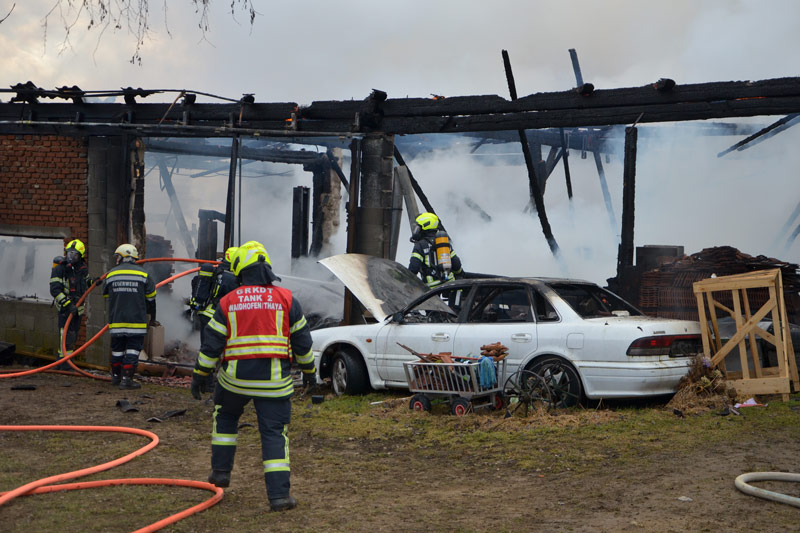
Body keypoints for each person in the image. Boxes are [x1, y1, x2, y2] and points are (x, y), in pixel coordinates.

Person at [191, 240, 315, 512]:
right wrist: (310, 373)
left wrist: (199, 374)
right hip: (274, 385)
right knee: (274, 434)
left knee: (224, 417)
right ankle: (279, 497)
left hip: (234, 381)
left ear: (241, 272)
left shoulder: (228, 301)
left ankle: (221, 473)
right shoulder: (287, 299)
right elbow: (303, 343)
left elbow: (211, 345)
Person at [103, 244, 157, 389]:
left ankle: (115, 378)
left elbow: (107, 295)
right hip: (136, 321)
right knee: (133, 349)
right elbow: (151, 298)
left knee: (117, 349)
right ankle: (126, 380)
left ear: (124, 257)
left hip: (117, 320)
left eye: (118, 256)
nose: (116, 259)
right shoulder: (144, 275)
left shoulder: (111, 274)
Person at [49, 239, 93, 369]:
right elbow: (55, 289)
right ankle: (63, 364)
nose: (71, 257)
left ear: (80, 256)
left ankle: (67, 363)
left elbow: (86, 282)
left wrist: (94, 282)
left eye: (74, 254)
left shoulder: (82, 268)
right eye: (69, 253)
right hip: (65, 309)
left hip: (77, 310)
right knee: (65, 337)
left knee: (72, 336)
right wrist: (68, 305)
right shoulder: (60, 268)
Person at [408, 212, 463, 288]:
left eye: (418, 227)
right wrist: (459, 274)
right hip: (450, 285)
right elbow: (456, 264)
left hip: (431, 290)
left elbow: (413, 268)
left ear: (425, 226)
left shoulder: (420, 245)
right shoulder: (443, 242)